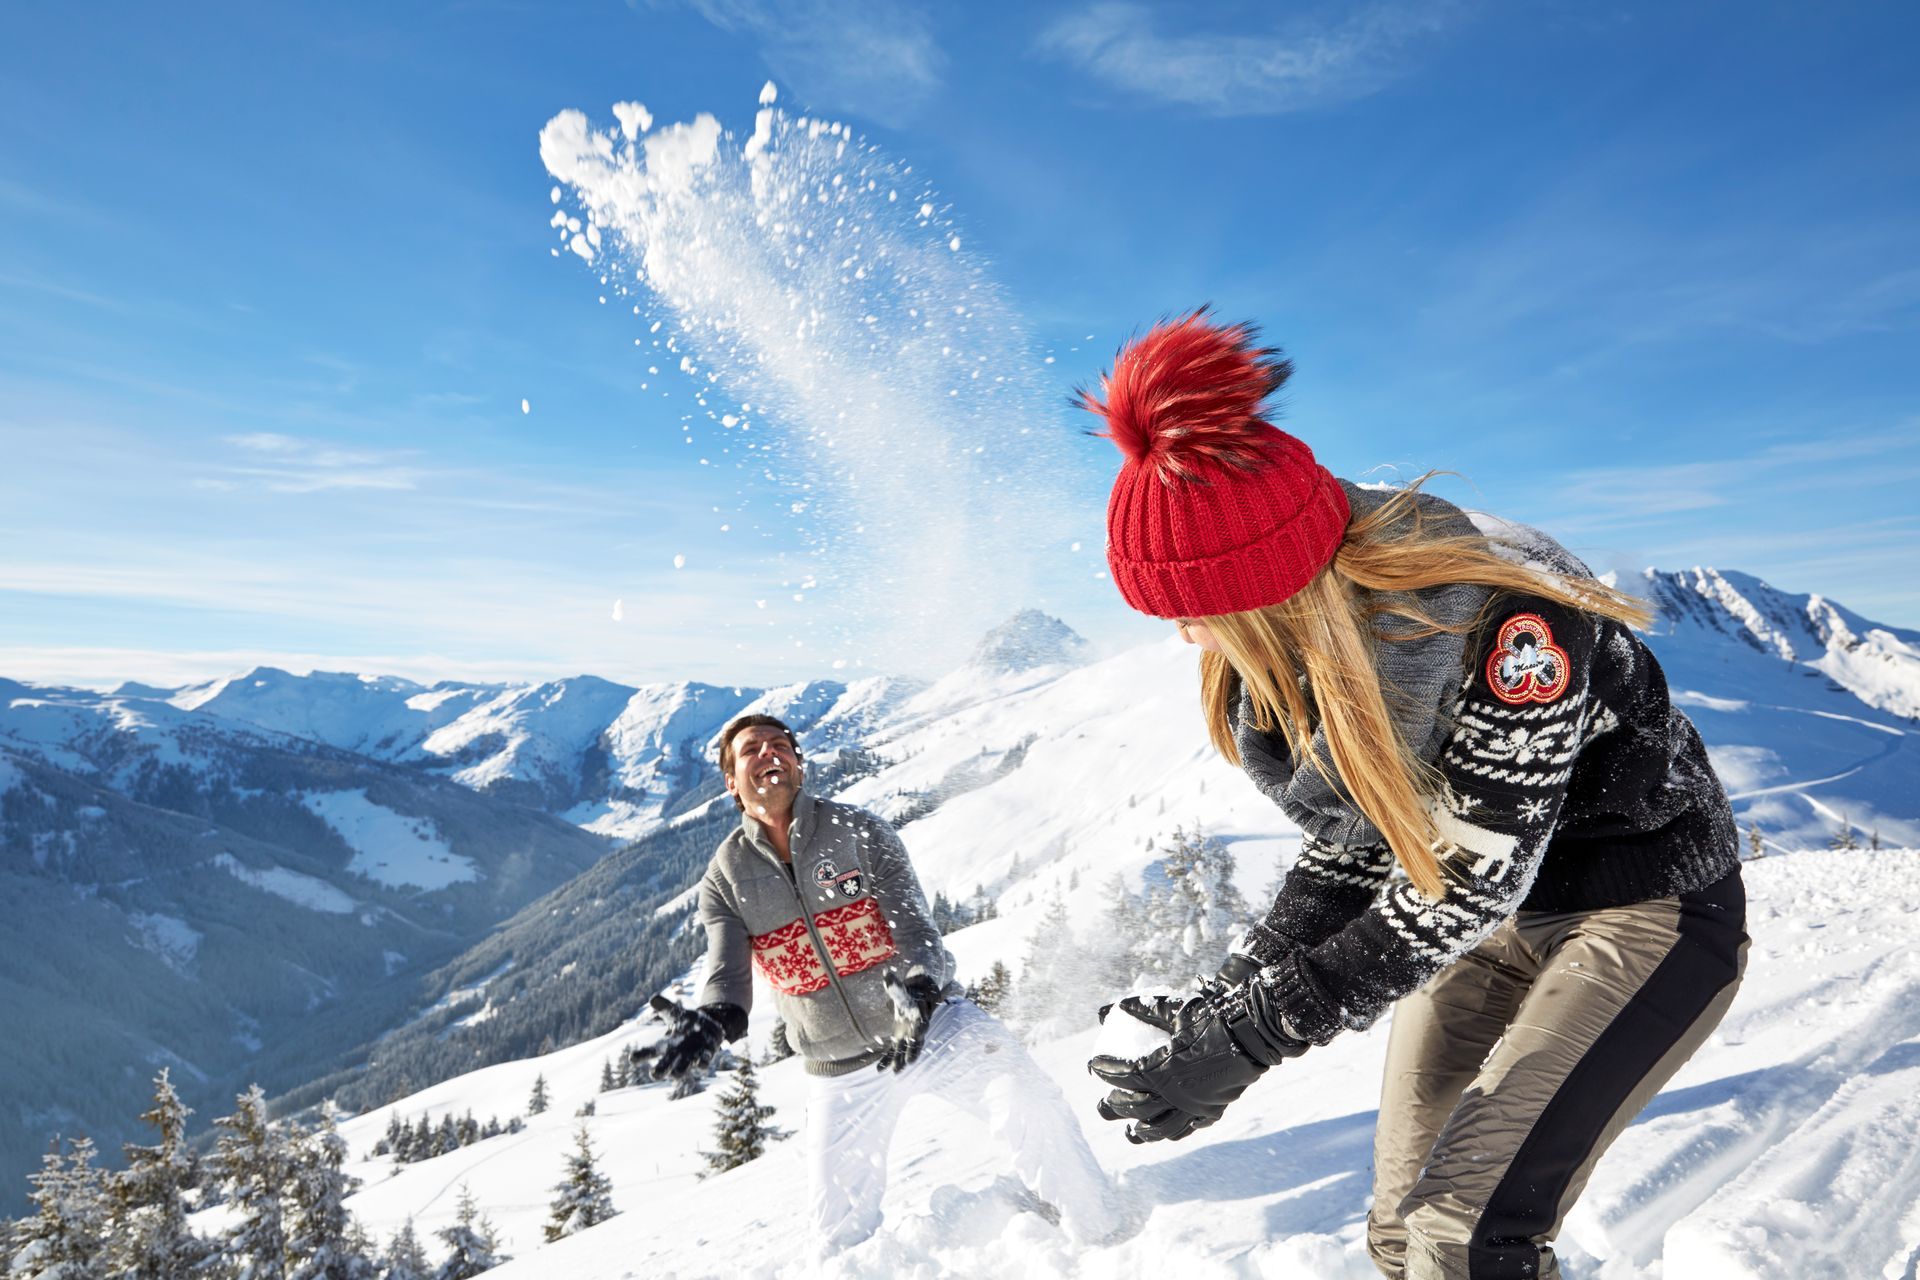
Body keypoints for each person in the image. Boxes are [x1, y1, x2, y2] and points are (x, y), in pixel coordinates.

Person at [1080, 311, 1748, 1280]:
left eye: (1201, 613)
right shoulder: (1301, 655)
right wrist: (1224, 1003)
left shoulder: (1515, 630)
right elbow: (1356, 845)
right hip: (1478, 912)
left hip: (1642, 906)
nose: (1190, 639)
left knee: (1466, 1232)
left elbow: (1474, 876)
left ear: (1273, 586)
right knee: (1401, 1228)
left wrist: (1256, 1031)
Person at [651, 713, 1127, 1257]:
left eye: (781, 744)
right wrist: (713, 1019)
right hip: (840, 1067)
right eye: (752, 750)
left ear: (799, 764)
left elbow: (917, 931)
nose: (769, 754)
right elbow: (727, 976)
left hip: (934, 1027)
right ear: (732, 782)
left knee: (1030, 1101)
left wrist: (921, 988)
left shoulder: (857, 831)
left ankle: (1110, 1235)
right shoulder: (725, 877)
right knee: (837, 1236)